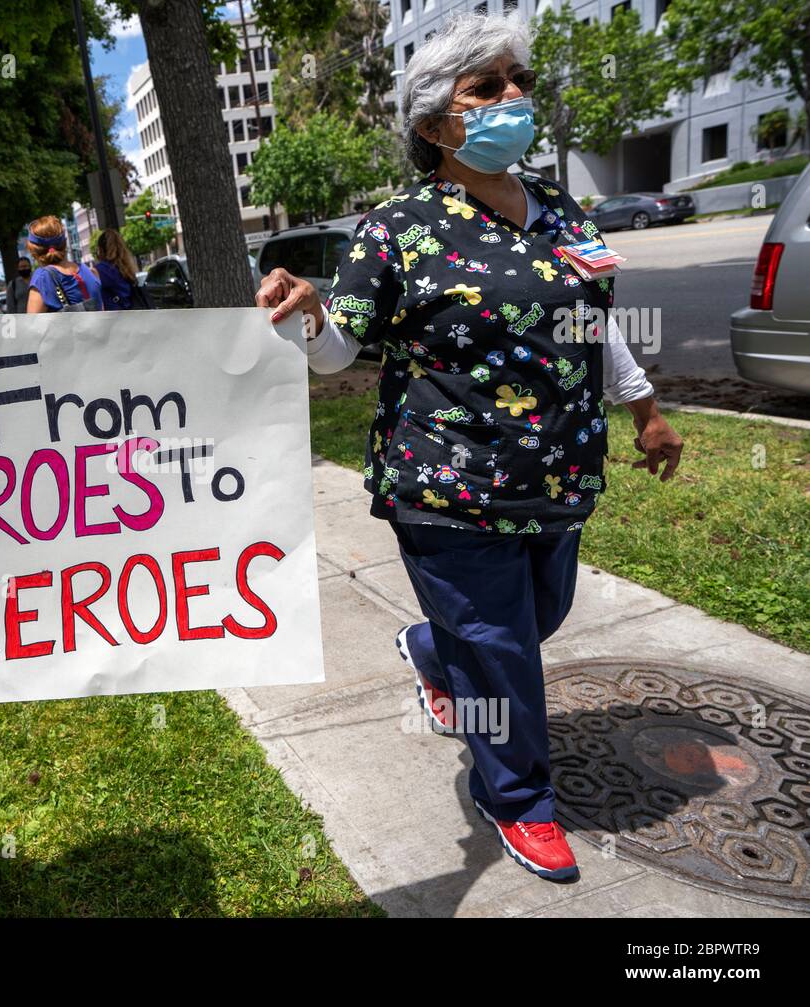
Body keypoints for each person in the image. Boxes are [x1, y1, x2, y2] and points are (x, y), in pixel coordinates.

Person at [256, 11, 683, 883]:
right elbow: (345, 350)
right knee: (500, 645)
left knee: (538, 618)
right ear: (434, 125)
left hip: (558, 469)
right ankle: (519, 798)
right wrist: (308, 314)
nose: (513, 99)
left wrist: (643, 408)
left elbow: (591, 322)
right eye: (485, 89)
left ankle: (429, 649)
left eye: (516, 82)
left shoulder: (562, 208)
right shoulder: (397, 227)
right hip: (446, 481)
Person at [24, 215, 102, 313]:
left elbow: (31, 325)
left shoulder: (41, 278)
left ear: (33, 251)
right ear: (64, 243)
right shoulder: (89, 272)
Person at [93, 228, 152, 310]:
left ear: (100, 249)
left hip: (114, 319)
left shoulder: (99, 270)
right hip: (133, 315)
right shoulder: (128, 267)